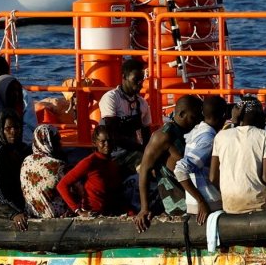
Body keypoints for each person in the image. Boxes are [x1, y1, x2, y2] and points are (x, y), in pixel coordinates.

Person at [132, 96, 200, 228]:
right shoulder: (163, 136)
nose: (198, 121)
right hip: (178, 203)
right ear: (181, 114)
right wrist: (144, 208)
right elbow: (144, 169)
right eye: (194, 117)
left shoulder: (190, 132)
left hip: (193, 196)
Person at [211, 98, 266, 214]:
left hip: (230, 206)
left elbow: (212, 177)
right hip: (258, 205)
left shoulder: (220, 136)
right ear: (258, 116)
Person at [57, 127, 127, 216]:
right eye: (103, 142)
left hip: (109, 213)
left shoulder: (112, 163)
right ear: (95, 143)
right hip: (93, 214)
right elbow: (62, 185)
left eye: (110, 141)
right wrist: (78, 211)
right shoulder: (89, 162)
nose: (107, 144)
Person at [175, 96, 224, 215]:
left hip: (194, 204)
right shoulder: (208, 139)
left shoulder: (197, 131)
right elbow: (180, 170)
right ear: (223, 116)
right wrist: (201, 202)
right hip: (209, 203)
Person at [0, 110, 29, 212]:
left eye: (16, 127)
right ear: (0, 129)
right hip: (3, 210)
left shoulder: (22, 149)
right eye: (8, 128)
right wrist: (12, 212)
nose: (13, 131)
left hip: (22, 206)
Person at [96, 58, 151, 138]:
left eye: (141, 80)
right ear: (124, 77)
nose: (140, 83)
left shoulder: (142, 103)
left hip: (133, 148)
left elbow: (146, 133)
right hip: (114, 148)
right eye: (135, 79)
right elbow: (110, 131)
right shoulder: (111, 98)